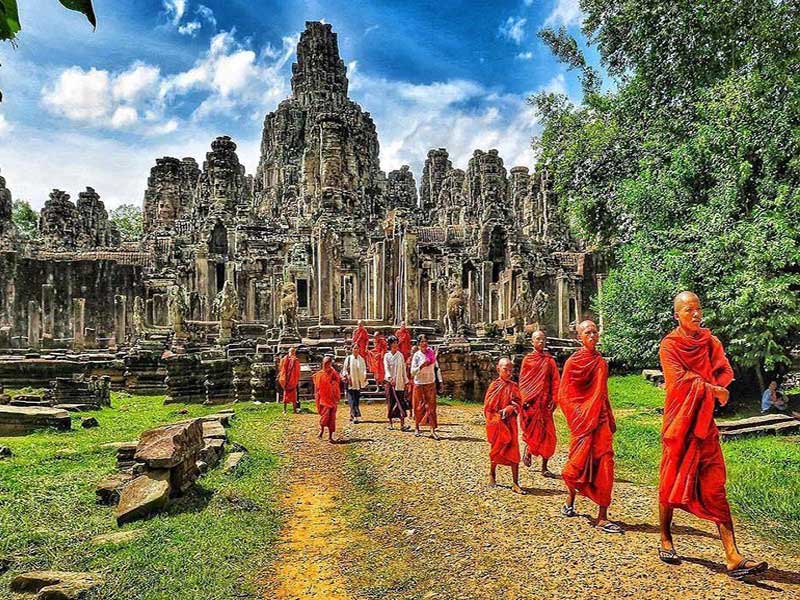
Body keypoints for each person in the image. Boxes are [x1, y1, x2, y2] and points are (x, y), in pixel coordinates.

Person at [658, 291, 767, 578]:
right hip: (679, 422)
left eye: (698, 308)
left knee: (715, 485)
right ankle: (666, 537)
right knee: (671, 479)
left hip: (704, 422)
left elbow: (725, 370)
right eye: (688, 310)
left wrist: (716, 387)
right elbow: (679, 381)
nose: (695, 314)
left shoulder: (710, 341)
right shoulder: (669, 345)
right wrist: (712, 389)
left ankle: (732, 555)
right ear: (677, 315)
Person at [559, 320, 622, 534]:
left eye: (595, 332)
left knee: (605, 464)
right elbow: (564, 395)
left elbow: (602, 393)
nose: (593, 335)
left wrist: (609, 417)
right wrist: (579, 415)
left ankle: (602, 516)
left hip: (600, 420)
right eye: (587, 333)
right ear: (579, 337)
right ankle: (570, 499)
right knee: (576, 465)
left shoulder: (601, 363)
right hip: (582, 422)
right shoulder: (572, 363)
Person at [519, 330, 560, 478]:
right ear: (532, 342)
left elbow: (555, 381)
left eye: (543, 339)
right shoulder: (527, 360)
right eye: (538, 339)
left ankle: (544, 467)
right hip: (531, 403)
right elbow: (523, 381)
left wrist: (554, 398)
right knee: (532, 433)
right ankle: (529, 450)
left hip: (545, 403)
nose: (541, 342)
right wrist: (525, 399)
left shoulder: (549, 361)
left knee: (548, 435)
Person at [484, 357, 524, 494]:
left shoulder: (513, 386)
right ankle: (492, 474)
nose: (508, 373)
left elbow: (518, 403)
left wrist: (510, 408)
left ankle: (515, 482)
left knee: (514, 451)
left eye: (510, 370)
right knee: (496, 449)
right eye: (505, 369)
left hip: (510, 423)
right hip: (497, 423)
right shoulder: (494, 386)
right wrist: (496, 417)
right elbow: (488, 407)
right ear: (498, 369)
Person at [410, 334, 443, 439]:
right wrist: (421, 366)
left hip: (430, 382)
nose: (424, 343)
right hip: (419, 383)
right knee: (418, 406)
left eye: (426, 341)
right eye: (422, 341)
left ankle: (432, 429)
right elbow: (412, 372)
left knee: (432, 407)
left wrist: (440, 382)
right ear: (418, 343)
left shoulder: (431, 354)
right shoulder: (417, 356)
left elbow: (437, 368)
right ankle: (417, 427)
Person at [384, 335, 410, 431]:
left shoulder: (400, 355)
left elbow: (403, 369)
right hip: (390, 383)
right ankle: (390, 423)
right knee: (391, 402)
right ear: (390, 344)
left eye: (396, 343)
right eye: (393, 343)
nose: (395, 345)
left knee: (401, 402)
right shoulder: (387, 356)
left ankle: (402, 424)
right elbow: (386, 368)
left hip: (399, 382)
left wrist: (406, 381)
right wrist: (390, 378)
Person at [313, 355, 341, 443]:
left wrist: (332, 385)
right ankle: (321, 431)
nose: (326, 365)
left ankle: (330, 436)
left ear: (330, 363)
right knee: (324, 417)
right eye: (325, 363)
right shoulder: (319, 374)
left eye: (328, 363)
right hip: (323, 399)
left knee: (331, 419)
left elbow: (337, 381)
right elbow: (317, 387)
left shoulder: (333, 373)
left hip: (331, 399)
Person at [341, 345, 367, 424]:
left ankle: (352, 415)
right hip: (350, 381)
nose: (356, 350)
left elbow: (364, 369)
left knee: (356, 399)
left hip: (358, 382)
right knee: (351, 399)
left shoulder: (361, 359)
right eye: (354, 348)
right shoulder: (348, 358)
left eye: (357, 348)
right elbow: (344, 369)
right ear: (352, 349)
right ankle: (355, 415)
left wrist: (364, 376)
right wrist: (347, 376)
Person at [278, 347, 301, 414]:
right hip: (291, 380)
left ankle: (285, 410)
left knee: (287, 395)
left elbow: (280, 368)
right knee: (292, 395)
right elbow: (297, 371)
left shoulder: (284, 359)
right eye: (293, 352)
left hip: (286, 380)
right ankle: (293, 410)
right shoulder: (294, 360)